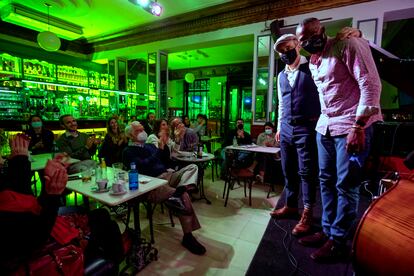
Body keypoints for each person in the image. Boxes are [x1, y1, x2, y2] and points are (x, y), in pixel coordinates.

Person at [296, 18, 382, 262]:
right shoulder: (313, 61)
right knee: (325, 181)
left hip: (352, 126)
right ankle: (326, 230)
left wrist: (359, 126)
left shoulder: (348, 44)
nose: (309, 43)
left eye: (313, 35)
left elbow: (370, 84)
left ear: (322, 31)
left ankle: (338, 240)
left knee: (346, 184)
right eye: (304, 41)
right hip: (325, 128)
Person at [0, 135, 123, 273]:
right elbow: (34, 238)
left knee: (102, 213)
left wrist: (49, 187)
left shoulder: (10, 193)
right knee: (108, 225)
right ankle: (110, 263)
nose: (4, 159)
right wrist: (52, 195)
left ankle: (110, 258)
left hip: (44, 227)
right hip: (45, 250)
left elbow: (30, 205)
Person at [122, 121, 206, 255]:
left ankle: (179, 191)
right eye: (138, 131)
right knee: (184, 197)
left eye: (143, 129)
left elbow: (166, 160)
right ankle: (188, 236)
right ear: (130, 135)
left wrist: (165, 145)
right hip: (152, 183)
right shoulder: (128, 151)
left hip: (168, 175)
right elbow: (142, 166)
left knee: (192, 167)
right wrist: (159, 150)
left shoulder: (149, 146)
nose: (143, 132)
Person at [269, 34, 320, 237]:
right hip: (287, 128)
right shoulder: (280, 76)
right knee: (287, 169)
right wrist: (280, 127)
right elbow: (282, 102)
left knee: (306, 172)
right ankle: (291, 205)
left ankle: (307, 211)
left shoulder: (314, 66)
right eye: (281, 52)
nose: (285, 54)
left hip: (307, 127)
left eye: (288, 48)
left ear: (298, 45)